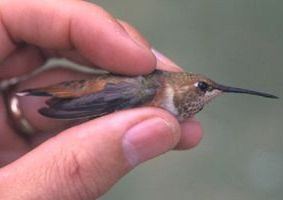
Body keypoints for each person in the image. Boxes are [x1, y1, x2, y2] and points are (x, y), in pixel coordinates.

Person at [0, 0, 202, 199]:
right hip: (106, 93)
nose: (206, 93)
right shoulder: (153, 88)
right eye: (203, 88)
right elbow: (108, 98)